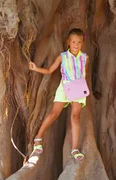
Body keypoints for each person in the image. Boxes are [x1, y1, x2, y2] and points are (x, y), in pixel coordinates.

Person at [28, 28, 89, 162]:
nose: (76, 45)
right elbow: (50, 70)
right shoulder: (62, 57)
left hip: (78, 88)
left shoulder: (85, 58)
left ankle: (74, 149)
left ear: (82, 43)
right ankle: (38, 138)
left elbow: (83, 74)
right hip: (64, 88)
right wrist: (35, 68)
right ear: (68, 42)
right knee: (54, 114)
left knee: (75, 117)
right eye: (73, 42)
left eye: (79, 42)